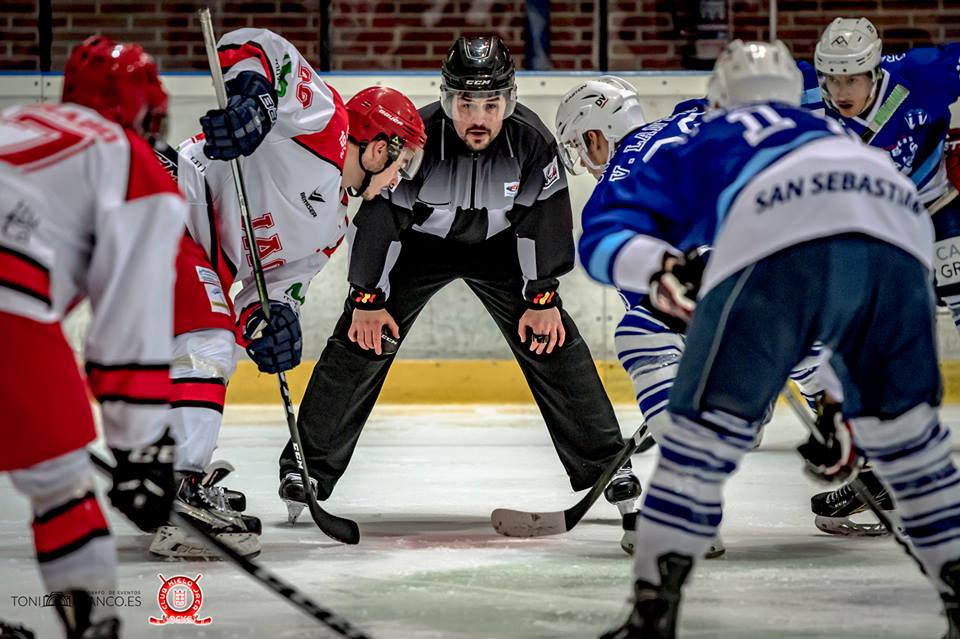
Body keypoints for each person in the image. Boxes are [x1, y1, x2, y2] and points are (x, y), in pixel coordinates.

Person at [588, 40, 956, 639]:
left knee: (696, 448)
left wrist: (656, 269)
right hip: (899, 244)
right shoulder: (839, 136)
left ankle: (651, 618)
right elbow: (857, 257)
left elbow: (605, 234)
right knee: (912, 446)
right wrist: (840, 395)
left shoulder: (707, 132)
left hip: (779, 254)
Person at [282, 36, 638, 526]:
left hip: (502, 248)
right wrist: (367, 297)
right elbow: (381, 216)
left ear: (508, 102)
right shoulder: (418, 138)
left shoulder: (533, 143)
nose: (478, 117)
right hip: (418, 246)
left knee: (550, 338)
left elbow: (547, 220)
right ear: (449, 100)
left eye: (491, 104)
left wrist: (542, 296)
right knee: (363, 337)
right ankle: (308, 468)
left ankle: (605, 463)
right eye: (466, 103)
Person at [153, 27, 426, 556]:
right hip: (168, 191)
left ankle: (161, 466)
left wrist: (270, 322)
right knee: (207, 338)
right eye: (403, 160)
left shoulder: (331, 232)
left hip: (196, 246)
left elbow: (270, 290)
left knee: (219, 338)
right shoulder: (326, 121)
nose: (400, 178)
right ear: (378, 146)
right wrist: (253, 101)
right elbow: (257, 46)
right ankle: (179, 491)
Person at [559, 78, 821, 557]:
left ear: (596, 135)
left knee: (642, 334)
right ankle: (847, 418)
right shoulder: (695, 112)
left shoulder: (611, 195)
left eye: (582, 144)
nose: (585, 158)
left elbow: (655, 297)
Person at [0, 36, 185, 638]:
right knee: (59, 484)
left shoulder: (14, 119)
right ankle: (95, 626)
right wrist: (139, 448)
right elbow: (130, 315)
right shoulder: (126, 158)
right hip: (10, 303)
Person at [799, 17, 960, 535]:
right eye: (832, 79)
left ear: (874, 69)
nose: (841, 91)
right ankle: (879, 469)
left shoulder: (923, 75)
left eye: (852, 79)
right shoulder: (802, 90)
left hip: (939, 213)